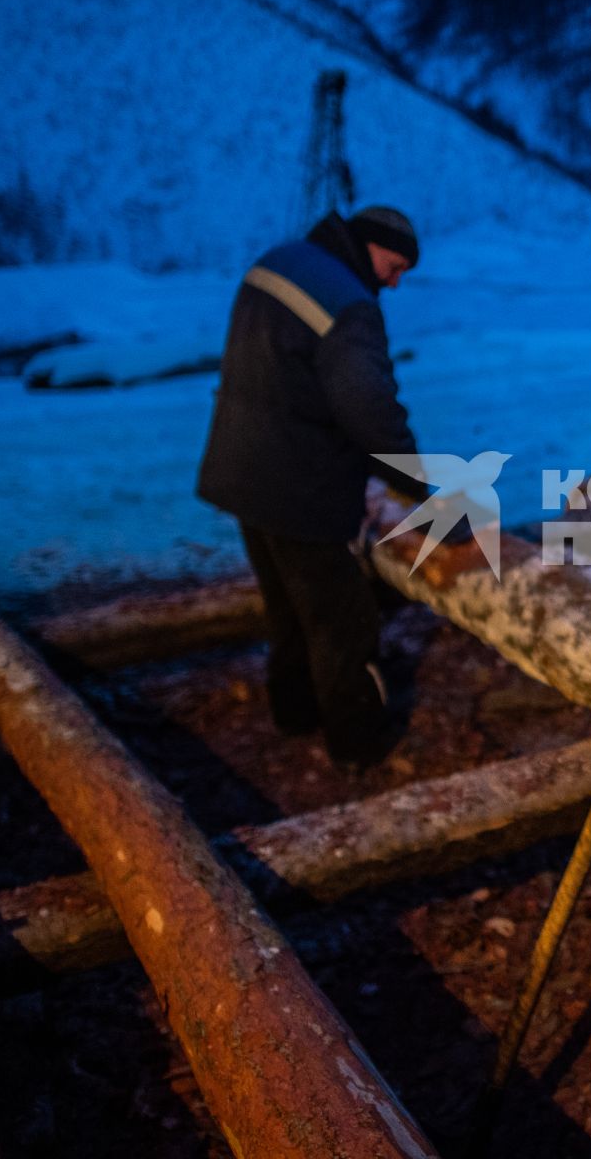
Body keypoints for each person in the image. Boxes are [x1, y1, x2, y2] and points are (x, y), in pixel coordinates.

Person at [196, 205, 431, 768]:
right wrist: (423, 491)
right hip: (300, 486)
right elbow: (370, 411)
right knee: (344, 620)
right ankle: (358, 743)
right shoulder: (349, 304)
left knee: (286, 605)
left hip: (242, 467)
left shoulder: (279, 261)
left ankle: (294, 714)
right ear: (370, 244)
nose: (394, 283)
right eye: (394, 267)